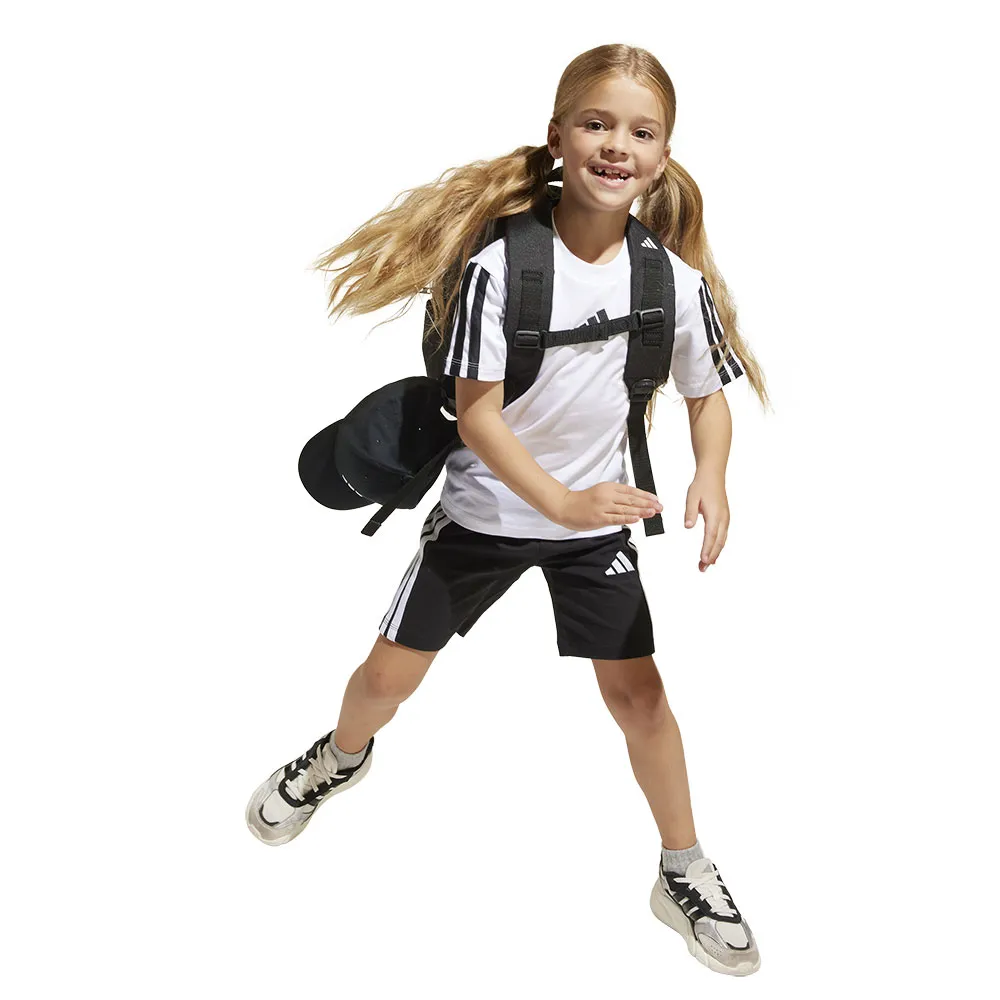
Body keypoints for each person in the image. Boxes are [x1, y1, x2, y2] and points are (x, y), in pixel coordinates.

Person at [246, 43, 769, 977]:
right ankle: (340, 756)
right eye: (597, 124)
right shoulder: (504, 268)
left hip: (595, 529)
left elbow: (708, 394)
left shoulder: (671, 283)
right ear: (558, 136)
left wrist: (713, 474)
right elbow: (478, 416)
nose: (617, 146)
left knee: (642, 700)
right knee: (384, 682)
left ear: (664, 156)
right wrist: (559, 498)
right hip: (486, 517)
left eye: (641, 132)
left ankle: (682, 868)